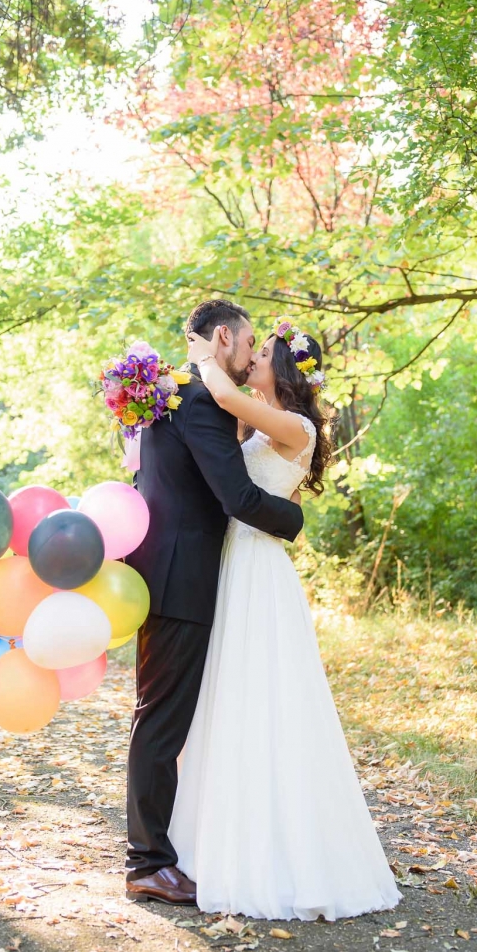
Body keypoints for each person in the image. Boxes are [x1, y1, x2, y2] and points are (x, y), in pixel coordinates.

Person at [167, 318, 402, 920]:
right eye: (253, 347)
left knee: (265, 697)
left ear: (285, 369)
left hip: (258, 568)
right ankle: (222, 837)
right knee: (230, 699)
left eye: (264, 351)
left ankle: (281, 852)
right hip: (231, 561)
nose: (253, 357)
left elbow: (219, 394)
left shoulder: (295, 425)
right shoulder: (256, 419)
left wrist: (198, 354)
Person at [124, 300, 304, 906]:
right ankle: (147, 862)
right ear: (222, 336)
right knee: (163, 720)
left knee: (168, 716)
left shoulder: (168, 392)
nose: (253, 354)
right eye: (248, 342)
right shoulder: (198, 399)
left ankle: (167, 851)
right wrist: (295, 519)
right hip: (183, 579)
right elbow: (235, 495)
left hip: (168, 574)